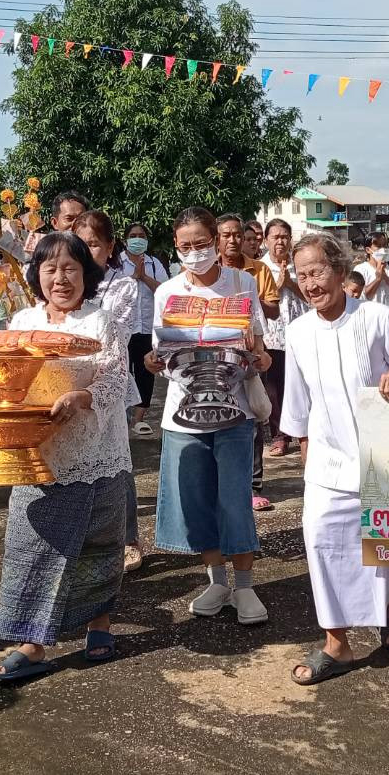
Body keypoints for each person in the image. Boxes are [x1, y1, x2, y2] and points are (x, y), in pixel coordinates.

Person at [0, 232, 132, 680]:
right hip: (36, 452)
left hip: (95, 449)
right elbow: (10, 382)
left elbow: (115, 380)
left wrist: (82, 396)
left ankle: (99, 624)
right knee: (31, 545)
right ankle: (32, 643)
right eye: (50, 269)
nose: (60, 278)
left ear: (86, 273)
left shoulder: (101, 321)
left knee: (98, 544)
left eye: (70, 268)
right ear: (37, 275)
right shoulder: (23, 320)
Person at [282, 234, 389, 684]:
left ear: (341, 272)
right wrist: (306, 464)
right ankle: (336, 644)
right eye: (301, 275)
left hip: (381, 457)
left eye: (317, 271)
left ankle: (380, 612)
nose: (310, 283)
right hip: (326, 459)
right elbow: (297, 407)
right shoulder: (298, 331)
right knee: (323, 544)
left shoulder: (378, 318)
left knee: (386, 548)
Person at [146, 207, 273, 625]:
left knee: (234, 499)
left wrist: (258, 359)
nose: (194, 252)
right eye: (185, 246)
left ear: (217, 242)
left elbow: (259, 349)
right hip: (183, 414)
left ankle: (246, 586)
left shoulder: (243, 283)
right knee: (196, 501)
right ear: (175, 248)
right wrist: (152, 363)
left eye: (201, 243)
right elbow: (161, 354)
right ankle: (216, 580)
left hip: (233, 409)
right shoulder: (166, 293)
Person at [74, 210, 145, 573]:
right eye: (81, 243)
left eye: (94, 244)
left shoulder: (124, 285)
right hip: (68, 383)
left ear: (109, 246)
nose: (87, 252)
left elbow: (119, 335)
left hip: (110, 381)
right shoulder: (66, 282)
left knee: (117, 461)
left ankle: (128, 538)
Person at [218, 212, 281, 512]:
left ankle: (254, 484)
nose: (233, 240)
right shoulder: (210, 271)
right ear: (217, 239)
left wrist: (249, 298)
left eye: (237, 235)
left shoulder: (257, 271)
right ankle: (223, 482)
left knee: (255, 415)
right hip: (216, 355)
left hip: (251, 351)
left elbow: (271, 310)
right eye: (226, 235)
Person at [260, 218, 307, 457]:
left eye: (284, 236)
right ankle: (279, 436)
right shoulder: (260, 268)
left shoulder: (299, 264)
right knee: (274, 389)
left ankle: (302, 433)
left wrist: (290, 282)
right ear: (266, 240)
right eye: (275, 237)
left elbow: (310, 295)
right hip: (272, 337)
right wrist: (279, 285)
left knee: (299, 385)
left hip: (300, 333)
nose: (280, 241)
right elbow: (261, 303)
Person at [119, 221, 168, 436]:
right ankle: (120, 417)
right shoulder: (116, 264)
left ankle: (138, 419)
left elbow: (166, 292)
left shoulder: (154, 264)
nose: (137, 239)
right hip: (122, 327)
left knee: (145, 373)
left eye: (141, 235)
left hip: (147, 327)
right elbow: (111, 290)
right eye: (133, 235)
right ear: (125, 240)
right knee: (121, 372)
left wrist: (144, 277)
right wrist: (132, 278)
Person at [355, 232, 389, 305]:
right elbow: (363, 295)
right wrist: (378, 279)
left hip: (388, 312)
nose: (382, 250)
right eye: (378, 246)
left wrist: (385, 277)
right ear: (368, 250)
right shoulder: (360, 269)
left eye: (384, 246)